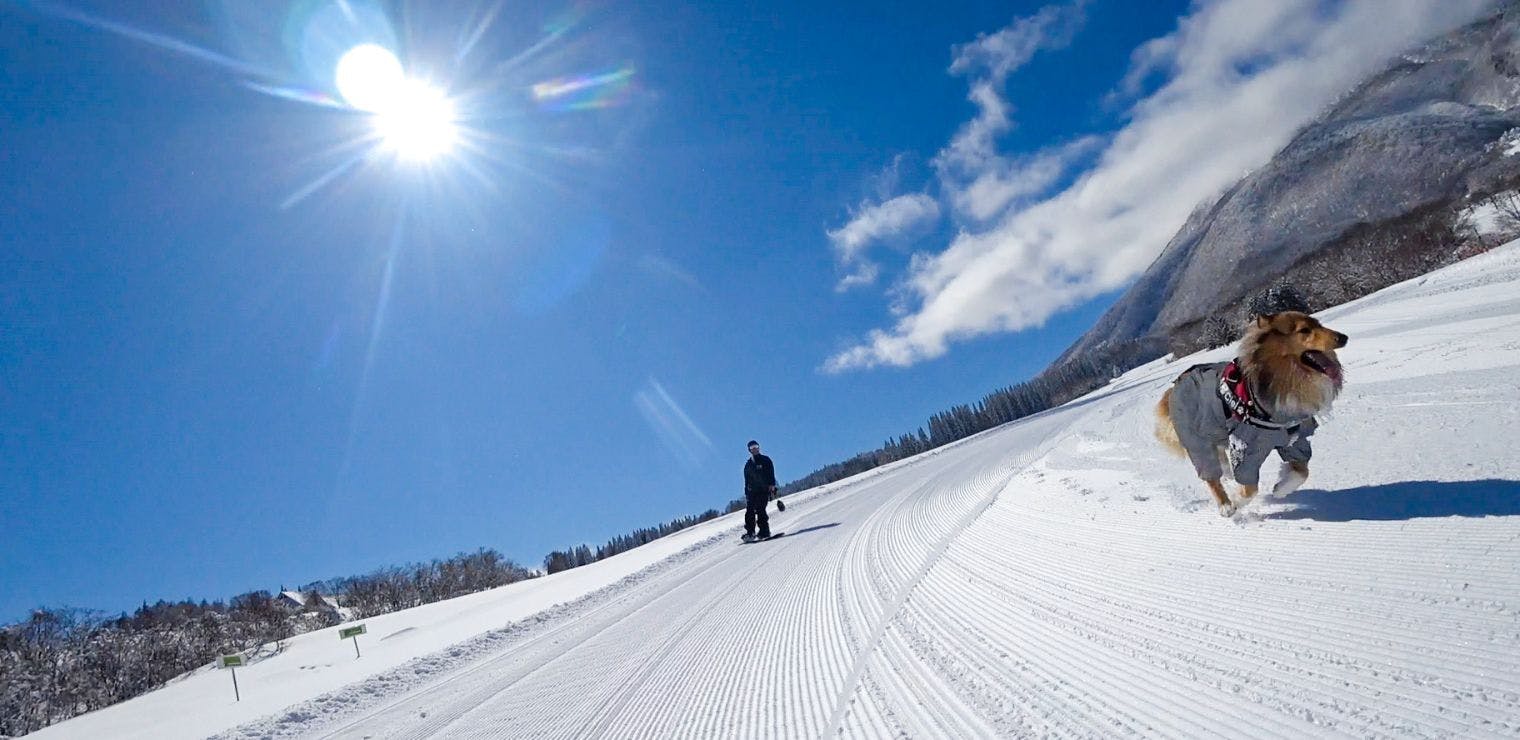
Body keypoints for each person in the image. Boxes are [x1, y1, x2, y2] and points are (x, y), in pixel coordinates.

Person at [742, 440, 780, 541]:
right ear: (749, 450)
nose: (754, 449)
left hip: (764, 490)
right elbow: (747, 480)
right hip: (752, 492)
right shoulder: (748, 465)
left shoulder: (765, 460)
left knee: (760, 509)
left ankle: (764, 531)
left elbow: (771, 473)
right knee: (749, 511)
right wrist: (747, 493)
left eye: (756, 446)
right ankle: (750, 533)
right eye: (752, 448)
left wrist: (772, 485)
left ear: (759, 447)